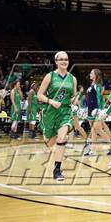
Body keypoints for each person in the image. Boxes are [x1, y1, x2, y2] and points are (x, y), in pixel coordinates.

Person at [37, 51, 77, 180]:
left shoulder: (73, 78)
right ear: (56, 62)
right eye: (61, 59)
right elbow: (40, 95)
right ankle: (50, 138)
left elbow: (73, 95)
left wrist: (74, 101)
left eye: (66, 59)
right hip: (50, 112)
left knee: (62, 138)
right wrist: (51, 101)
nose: (64, 61)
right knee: (50, 142)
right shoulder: (50, 76)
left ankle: (57, 170)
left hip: (65, 112)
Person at [85, 69, 111, 156]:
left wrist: (99, 111)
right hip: (90, 110)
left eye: (91, 73)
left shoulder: (98, 86)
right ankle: (92, 151)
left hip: (95, 111)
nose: (90, 74)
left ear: (96, 75)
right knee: (93, 131)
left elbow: (98, 99)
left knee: (98, 130)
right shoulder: (92, 84)